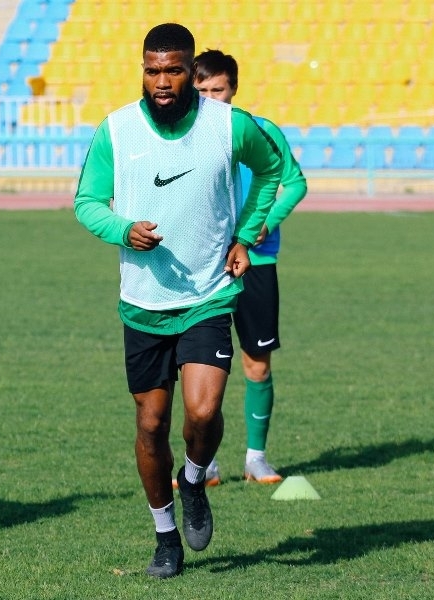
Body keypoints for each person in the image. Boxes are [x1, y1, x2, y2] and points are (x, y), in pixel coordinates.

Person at [74, 24, 283, 579]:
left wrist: (245, 234)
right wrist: (122, 230)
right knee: (150, 425)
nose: (162, 82)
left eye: (173, 70)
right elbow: (87, 201)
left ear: (191, 71)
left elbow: (272, 171)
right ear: (142, 71)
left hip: (208, 295)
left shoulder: (229, 125)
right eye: (152, 71)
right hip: (143, 302)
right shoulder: (116, 130)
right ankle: (165, 536)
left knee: (203, 411)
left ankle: (193, 479)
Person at [190, 49, 307, 485]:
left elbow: (294, 183)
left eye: (217, 89)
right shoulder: (181, 140)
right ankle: (204, 464)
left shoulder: (260, 131)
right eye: (201, 90)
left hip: (256, 263)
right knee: (201, 369)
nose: (209, 98)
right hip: (205, 265)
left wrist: (265, 223)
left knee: (256, 363)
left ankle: (256, 458)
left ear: (233, 89)